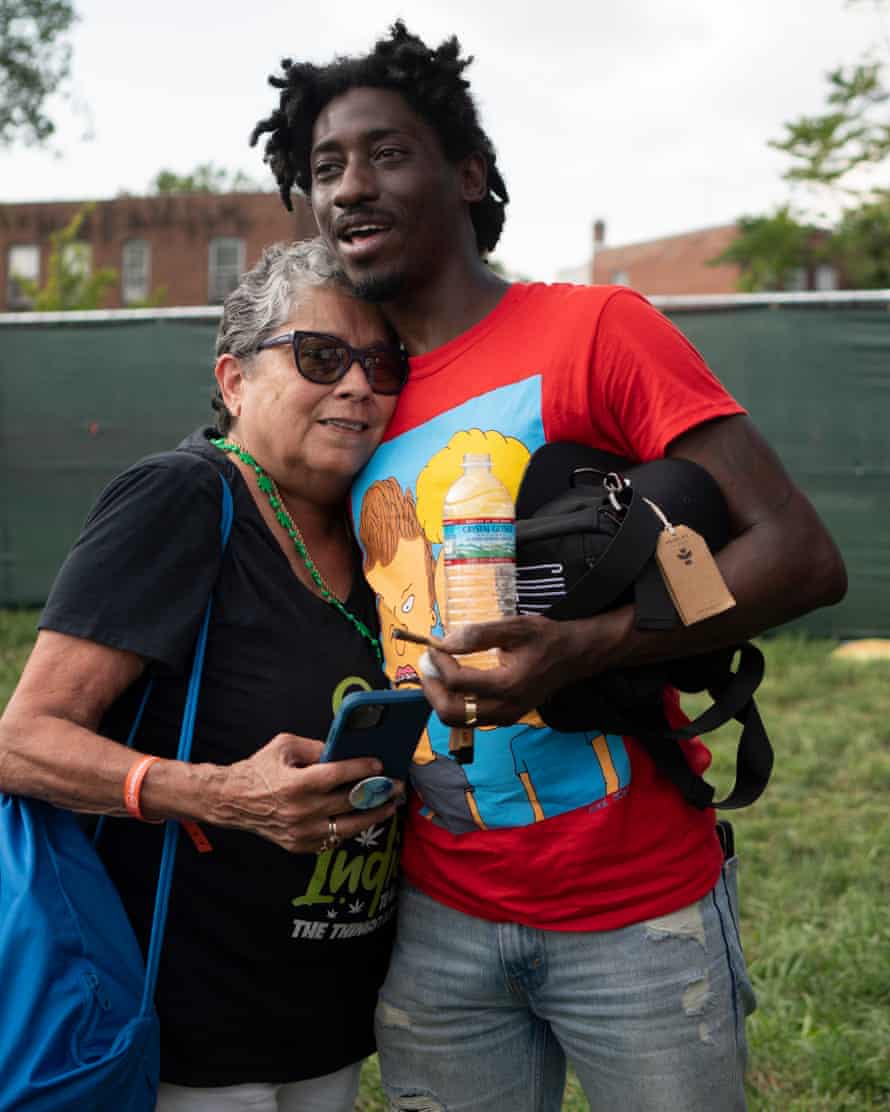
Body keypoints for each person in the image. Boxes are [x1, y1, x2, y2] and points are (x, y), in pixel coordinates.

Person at [251, 22, 848, 1112]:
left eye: (384, 153)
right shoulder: (349, 393)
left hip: (636, 910)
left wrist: (584, 646)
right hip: (433, 917)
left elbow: (797, 553)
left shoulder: (594, 331)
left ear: (467, 173)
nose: (346, 188)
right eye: (323, 167)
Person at [0, 238, 411, 1112]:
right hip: (184, 1023)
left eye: (382, 363)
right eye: (321, 355)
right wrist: (223, 793)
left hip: (327, 1011)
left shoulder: (389, 529)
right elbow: (20, 741)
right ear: (234, 381)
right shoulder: (183, 499)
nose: (358, 385)